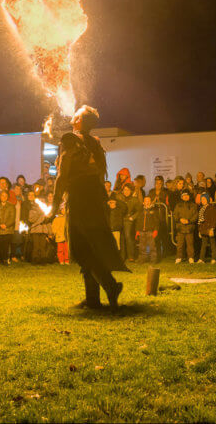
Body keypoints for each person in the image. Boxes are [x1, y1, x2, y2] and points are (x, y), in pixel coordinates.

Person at [51, 105, 129, 309]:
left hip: (81, 197)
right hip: (95, 197)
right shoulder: (95, 142)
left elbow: (62, 176)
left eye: (76, 114)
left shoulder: (71, 139)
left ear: (79, 121)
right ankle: (93, 299)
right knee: (91, 246)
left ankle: (111, 285)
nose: (73, 115)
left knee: (80, 248)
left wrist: (53, 207)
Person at [0, 189, 15, 265]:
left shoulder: (11, 206)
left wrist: (6, 225)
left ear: (7, 197)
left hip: (8, 230)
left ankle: (5, 259)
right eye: (2, 195)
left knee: (6, 246)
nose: (3, 197)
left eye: (5, 196)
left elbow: (12, 218)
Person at [173, 189, 197, 264]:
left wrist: (189, 221)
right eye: (184, 196)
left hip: (189, 227)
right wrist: (180, 219)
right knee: (180, 244)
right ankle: (179, 257)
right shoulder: (178, 205)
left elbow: (195, 215)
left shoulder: (193, 205)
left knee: (190, 244)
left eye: (187, 195)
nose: (185, 197)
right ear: (181, 197)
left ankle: (190, 257)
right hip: (181, 228)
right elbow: (175, 215)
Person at [118, 183, 140, 262]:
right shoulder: (120, 199)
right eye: (124, 190)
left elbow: (139, 211)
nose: (126, 191)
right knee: (121, 238)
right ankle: (122, 256)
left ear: (131, 191)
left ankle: (131, 256)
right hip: (121, 220)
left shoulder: (134, 200)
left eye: (127, 190)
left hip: (128, 220)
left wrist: (132, 218)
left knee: (128, 237)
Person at [135, 196, 160, 264]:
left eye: (149, 201)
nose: (147, 202)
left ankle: (153, 259)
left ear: (151, 202)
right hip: (142, 231)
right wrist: (137, 231)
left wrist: (155, 230)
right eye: (146, 201)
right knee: (142, 247)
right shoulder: (141, 211)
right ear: (143, 203)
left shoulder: (154, 211)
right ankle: (142, 259)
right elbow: (138, 222)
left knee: (152, 246)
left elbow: (157, 222)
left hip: (150, 231)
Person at [28, 195, 52, 264]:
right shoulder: (32, 210)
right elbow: (31, 220)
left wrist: (50, 233)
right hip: (35, 230)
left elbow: (48, 222)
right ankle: (35, 259)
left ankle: (43, 260)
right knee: (36, 246)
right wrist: (40, 214)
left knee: (42, 246)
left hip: (43, 230)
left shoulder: (46, 210)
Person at [197, 192, 216, 263]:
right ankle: (201, 258)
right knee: (203, 244)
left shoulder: (211, 207)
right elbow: (199, 221)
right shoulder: (201, 209)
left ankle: (214, 258)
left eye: (204, 199)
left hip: (209, 228)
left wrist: (212, 228)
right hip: (203, 229)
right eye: (202, 199)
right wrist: (199, 230)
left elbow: (214, 219)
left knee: (212, 244)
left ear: (207, 199)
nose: (203, 200)